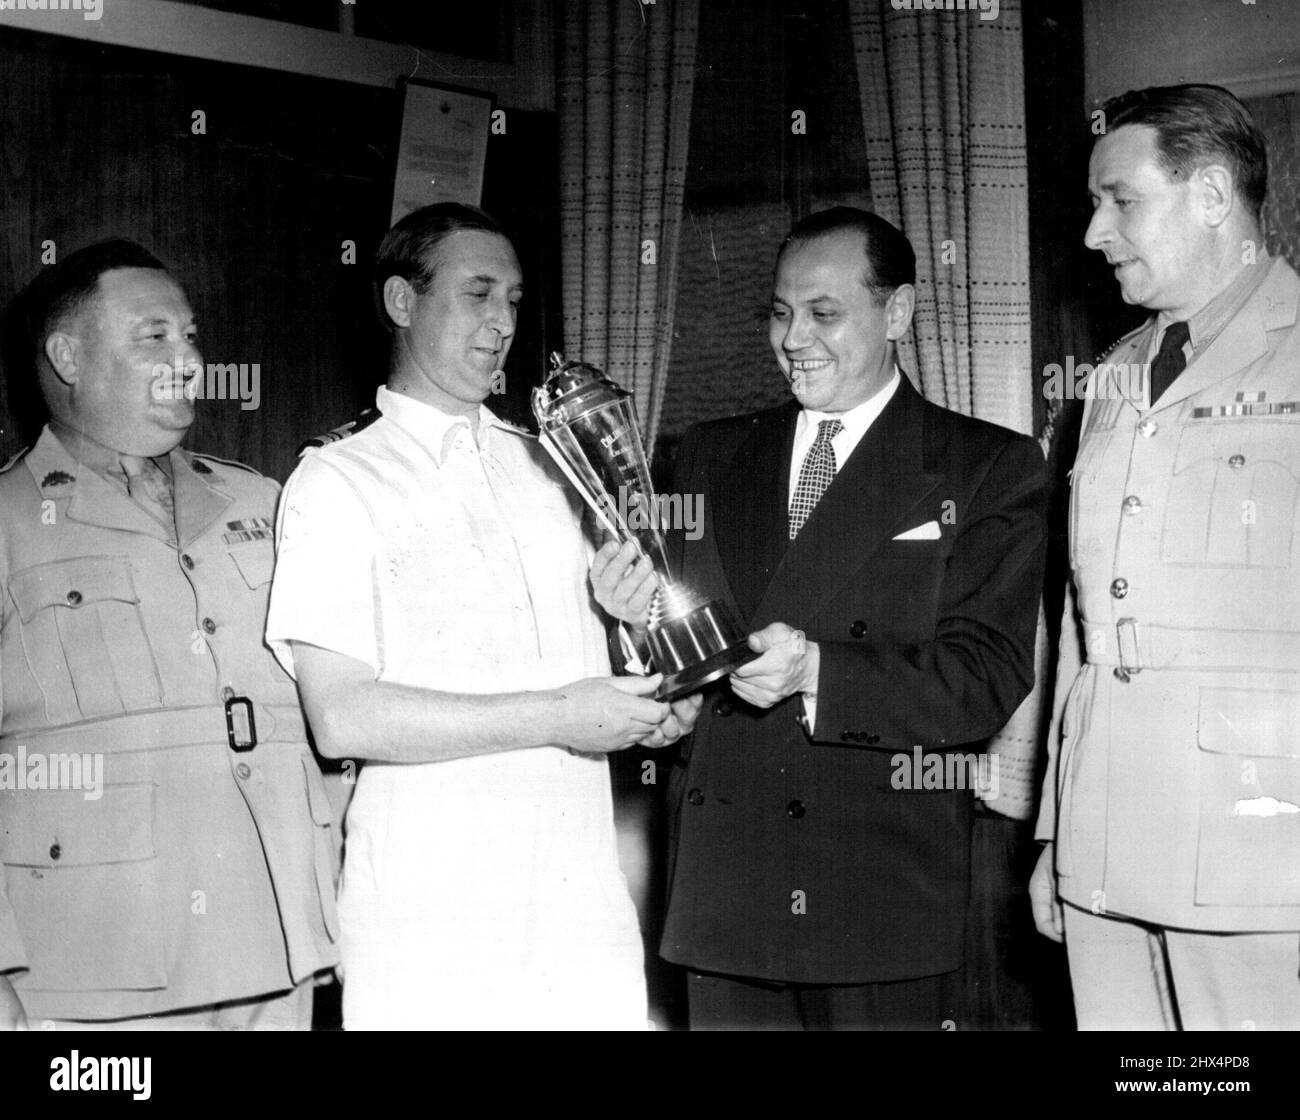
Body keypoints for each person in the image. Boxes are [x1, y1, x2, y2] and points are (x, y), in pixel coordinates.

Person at [595, 207, 1048, 1029]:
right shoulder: (709, 452)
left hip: (876, 892)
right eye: (779, 312)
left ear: (899, 313)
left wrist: (816, 674)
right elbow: (678, 645)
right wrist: (633, 631)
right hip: (724, 891)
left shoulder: (987, 465)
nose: (792, 337)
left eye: (823, 313)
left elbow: (986, 676)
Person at [265, 202, 700, 1030]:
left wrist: (650, 693)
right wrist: (561, 715)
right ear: (401, 302)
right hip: (432, 915)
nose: (502, 322)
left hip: (577, 900)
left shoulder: (551, 467)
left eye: (513, 299)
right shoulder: (337, 482)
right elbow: (343, 717)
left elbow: (600, 657)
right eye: (477, 294)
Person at [0, 240, 339, 1030]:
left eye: (190, 336)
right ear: (68, 356)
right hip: (93, 966)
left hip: (277, 942)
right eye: (154, 337)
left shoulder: (265, 500)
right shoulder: (11, 520)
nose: (186, 358)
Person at [1030, 84, 1300, 1030]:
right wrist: (1057, 832)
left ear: (1214, 195)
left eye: (1121, 200)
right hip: (1108, 833)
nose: (1097, 233)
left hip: (1260, 846)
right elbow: (1081, 623)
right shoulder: (1112, 376)